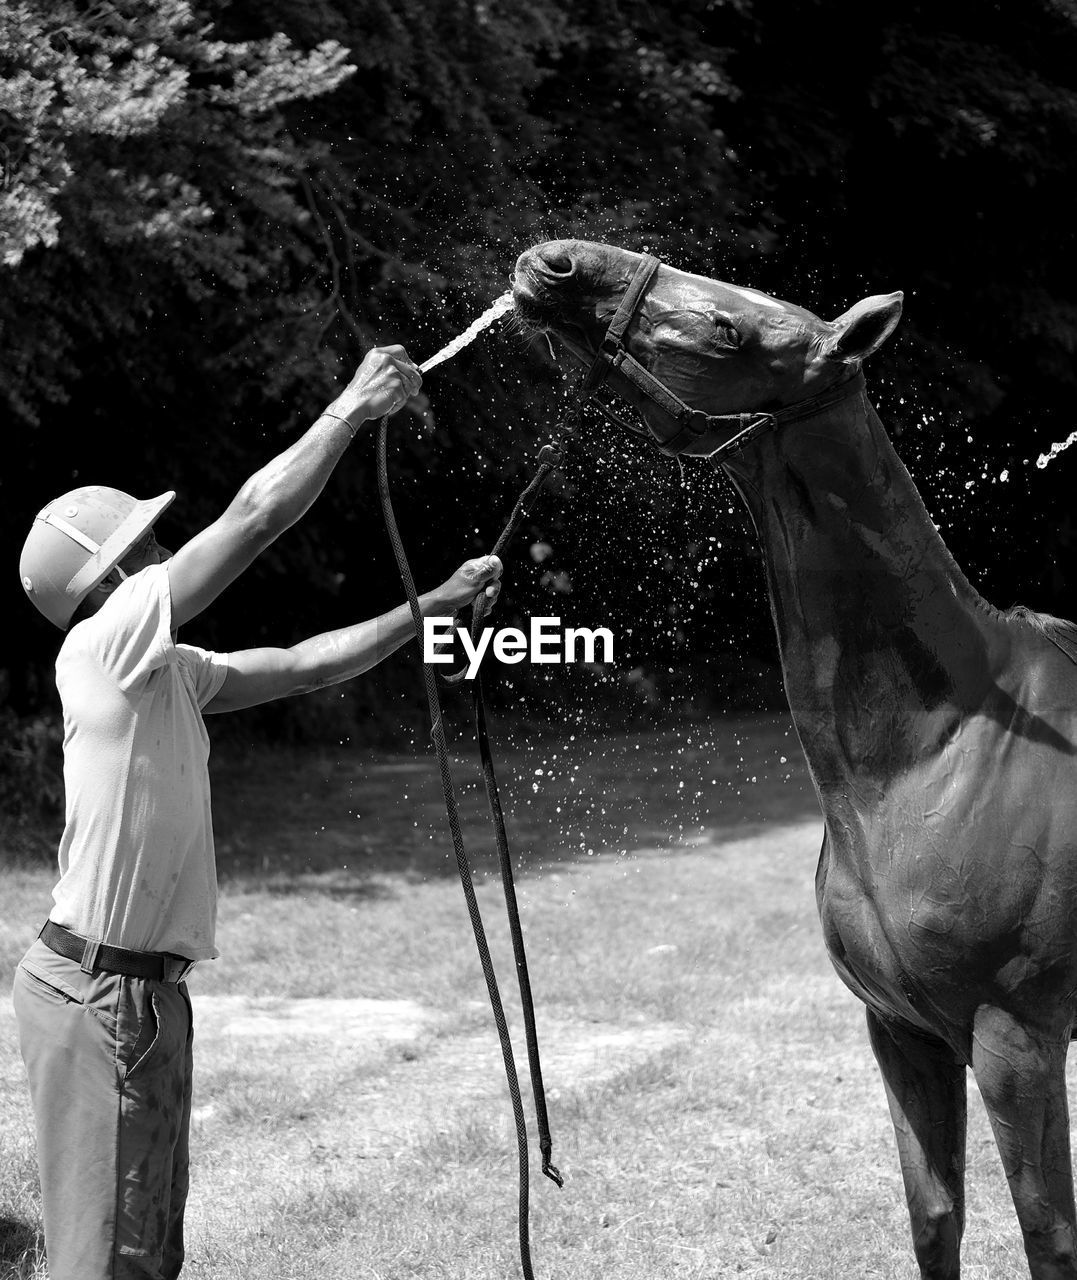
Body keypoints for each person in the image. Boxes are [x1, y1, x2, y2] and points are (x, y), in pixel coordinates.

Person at [12, 345, 502, 1280]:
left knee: (146, 1250)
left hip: (143, 994)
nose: (167, 551)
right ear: (111, 582)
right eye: (149, 545)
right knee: (101, 1260)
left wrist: (430, 606)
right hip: (97, 995)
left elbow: (309, 661)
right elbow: (256, 516)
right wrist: (350, 412)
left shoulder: (167, 677)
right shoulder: (103, 649)